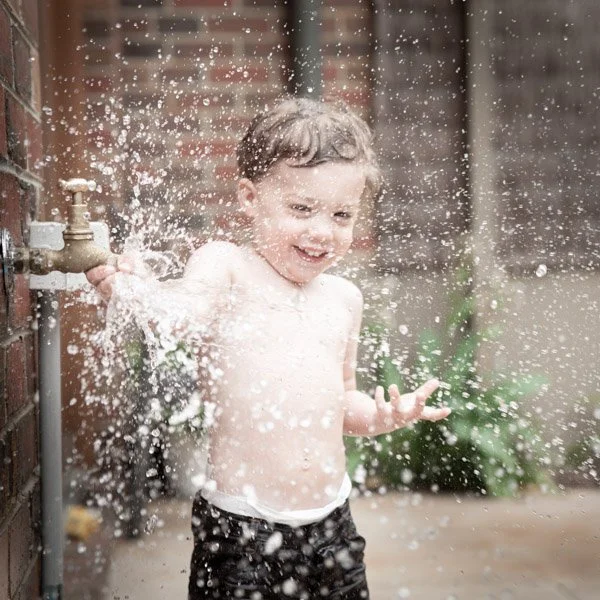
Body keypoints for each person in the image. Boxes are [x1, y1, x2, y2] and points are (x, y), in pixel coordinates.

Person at [86, 96, 451, 599]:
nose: (322, 232)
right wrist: (132, 290)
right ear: (250, 198)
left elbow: (342, 402)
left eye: (342, 214)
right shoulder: (227, 269)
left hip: (332, 527)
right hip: (241, 530)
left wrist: (383, 416)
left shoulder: (345, 300)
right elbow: (178, 317)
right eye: (302, 209)